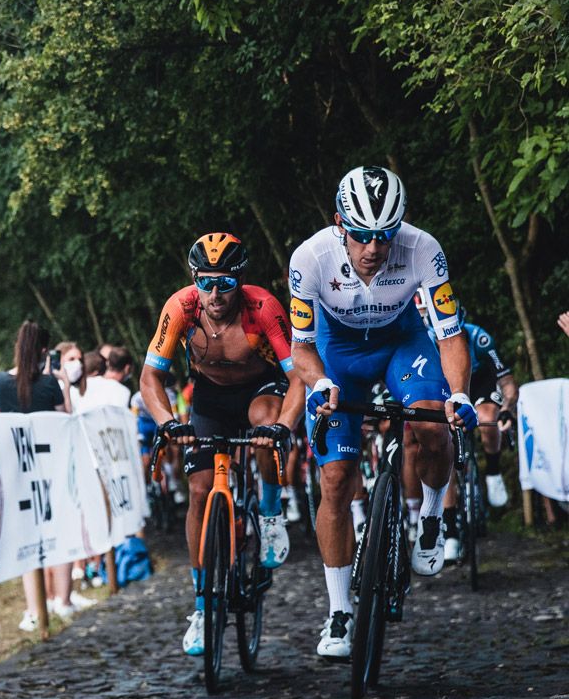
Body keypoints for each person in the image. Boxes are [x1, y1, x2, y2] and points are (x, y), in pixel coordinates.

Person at [286, 165, 476, 659]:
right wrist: (321, 381)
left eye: (385, 236)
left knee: (434, 423)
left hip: (400, 341)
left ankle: (432, 517)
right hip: (337, 355)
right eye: (362, 235)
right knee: (335, 479)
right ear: (338, 224)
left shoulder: (424, 249)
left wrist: (459, 394)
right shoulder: (309, 258)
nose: (373, 248)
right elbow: (301, 347)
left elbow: (451, 334)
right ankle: (339, 611)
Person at [141, 232, 301, 658]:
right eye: (205, 282)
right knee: (198, 491)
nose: (214, 293)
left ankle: (268, 513)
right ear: (194, 279)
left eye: (225, 284)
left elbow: (300, 373)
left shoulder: (263, 307)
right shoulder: (181, 307)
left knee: (265, 427)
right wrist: (169, 423)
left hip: (260, 389)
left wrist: (285, 426)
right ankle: (201, 604)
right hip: (210, 396)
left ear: (240, 281)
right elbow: (150, 377)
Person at [413, 300, 519, 560]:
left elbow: (507, 383)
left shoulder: (479, 338)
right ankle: (449, 531)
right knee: (443, 451)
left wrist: (507, 408)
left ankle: (492, 470)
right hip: (445, 384)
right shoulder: (425, 340)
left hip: (480, 381)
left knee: (487, 416)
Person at [0, 321, 75, 629]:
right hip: (51, 466)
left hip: (18, 468)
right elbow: (66, 419)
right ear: (44, 351)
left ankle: (34, 608)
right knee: (59, 531)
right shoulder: (49, 384)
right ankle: (62, 601)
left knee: (28, 538)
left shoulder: (0, 382)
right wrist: (64, 384)